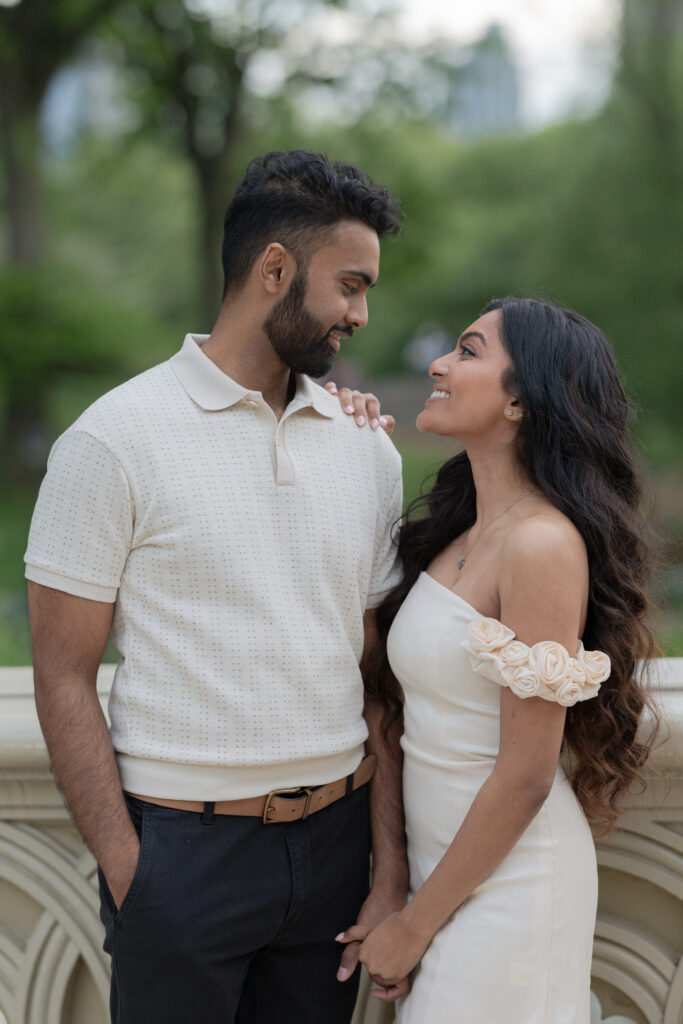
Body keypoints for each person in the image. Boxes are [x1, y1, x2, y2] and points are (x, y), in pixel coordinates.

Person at [24, 149, 410, 1024]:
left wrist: (386, 872)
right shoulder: (113, 440)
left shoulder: (368, 450)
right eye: (349, 285)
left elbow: (376, 677)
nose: (358, 313)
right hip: (182, 856)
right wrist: (135, 874)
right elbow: (62, 675)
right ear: (274, 268)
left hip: (336, 853)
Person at [335, 297, 658, 1022]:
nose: (438, 365)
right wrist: (394, 886)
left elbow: (524, 775)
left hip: (512, 892)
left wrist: (414, 927)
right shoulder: (454, 535)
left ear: (521, 399)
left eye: (468, 351)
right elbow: (390, 711)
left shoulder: (540, 546)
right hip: (436, 880)